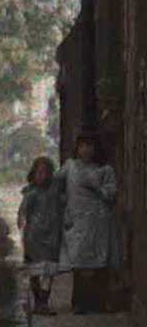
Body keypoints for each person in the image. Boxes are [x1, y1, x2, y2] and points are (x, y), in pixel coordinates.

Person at [55, 132, 118, 314]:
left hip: (99, 222)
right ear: (77, 147)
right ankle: (80, 302)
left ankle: (98, 302)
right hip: (77, 221)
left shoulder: (105, 170)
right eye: (83, 145)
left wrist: (97, 188)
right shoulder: (70, 167)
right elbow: (55, 185)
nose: (86, 150)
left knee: (99, 262)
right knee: (80, 262)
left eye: (90, 145)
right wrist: (63, 204)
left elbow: (112, 194)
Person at [18, 155, 61, 315]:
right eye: (39, 172)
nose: (42, 176)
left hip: (51, 238)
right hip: (34, 238)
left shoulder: (54, 192)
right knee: (34, 271)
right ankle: (37, 301)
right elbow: (22, 213)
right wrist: (23, 231)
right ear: (33, 173)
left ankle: (44, 302)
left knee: (48, 272)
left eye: (45, 172)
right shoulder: (31, 193)